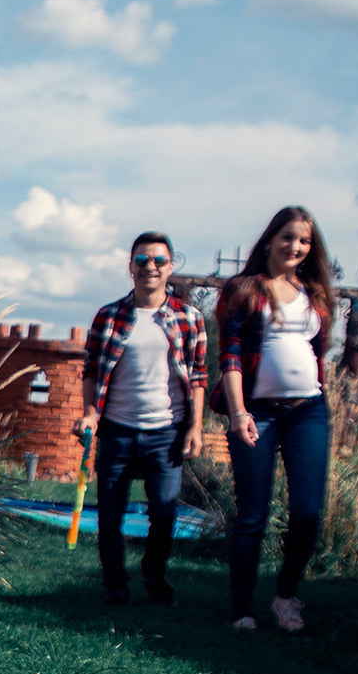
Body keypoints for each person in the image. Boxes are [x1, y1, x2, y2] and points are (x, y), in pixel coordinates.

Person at [217, 205, 335, 633]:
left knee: (308, 513)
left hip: (309, 411)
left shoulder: (315, 293)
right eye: (288, 237)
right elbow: (230, 355)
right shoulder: (244, 289)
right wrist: (238, 413)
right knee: (253, 514)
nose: (295, 246)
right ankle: (242, 609)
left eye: (304, 240)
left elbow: (317, 351)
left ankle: (286, 596)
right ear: (270, 239)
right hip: (258, 412)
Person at [77, 233, 209, 604]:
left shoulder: (189, 318)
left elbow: (199, 376)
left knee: (164, 513)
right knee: (110, 516)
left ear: (170, 267)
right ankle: (115, 588)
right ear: (130, 267)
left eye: (158, 260)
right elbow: (91, 371)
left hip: (166, 432)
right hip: (117, 430)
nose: (150, 266)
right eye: (142, 260)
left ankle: (154, 576)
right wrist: (89, 413)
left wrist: (195, 427)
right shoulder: (108, 316)